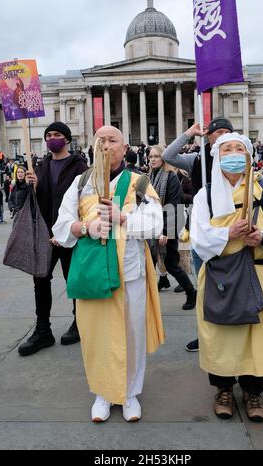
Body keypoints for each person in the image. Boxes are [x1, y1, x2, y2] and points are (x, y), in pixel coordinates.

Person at [52, 125, 165, 422]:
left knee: (132, 333)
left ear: (125, 147)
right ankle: (103, 393)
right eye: (99, 140)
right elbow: (62, 227)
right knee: (96, 336)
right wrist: (85, 227)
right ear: (92, 147)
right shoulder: (81, 182)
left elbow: (156, 223)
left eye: (112, 140)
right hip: (93, 275)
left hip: (130, 273)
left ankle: (129, 393)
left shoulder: (139, 182)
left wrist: (122, 218)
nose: (106, 145)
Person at [191, 132, 263, 422]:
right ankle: (223, 389)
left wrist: (262, 236)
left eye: (239, 149)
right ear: (217, 157)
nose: (233, 154)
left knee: (253, 337)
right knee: (220, 335)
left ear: (249, 156)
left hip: (255, 273)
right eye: (227, 149)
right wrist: (228, 233)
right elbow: (198, 235)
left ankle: (253, 391)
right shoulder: (205, 194)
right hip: (219, 276)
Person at [162, 117, 233, 351]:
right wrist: (189, 133)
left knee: (231, 287)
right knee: (204, 287)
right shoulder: (196, 160)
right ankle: (206, 334)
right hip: (203, 233)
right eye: (217, 131)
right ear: (208, 136)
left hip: (231, 234)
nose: (222, 135)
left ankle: (231, 332)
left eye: (227, 131)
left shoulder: (239, 160)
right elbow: (168, 156)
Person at [18, 122, 88, 357]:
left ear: (67, 139)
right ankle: (43, 330)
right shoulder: (41, 165)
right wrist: (31, 186)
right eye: (48, 135)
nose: (52, 139)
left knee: (74, 281)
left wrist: (71, 231)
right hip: (46, 234)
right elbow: (32, 201)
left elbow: (84, 201)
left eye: (57, 135)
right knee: (40, 281)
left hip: (70, 233)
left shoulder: (79, 166)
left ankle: (79, 323)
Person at [149, 145, 196, 310]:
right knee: (154, 262)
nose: (153, 159)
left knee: (171, 264)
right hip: (153, 227)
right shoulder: (151, 176)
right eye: (151, 156)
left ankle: (191, 291)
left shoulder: (171, 177)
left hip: (168, 226)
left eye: (156, 156)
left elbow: (174, 206)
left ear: (163, 158)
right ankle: (158, 286)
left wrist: (166, 233)